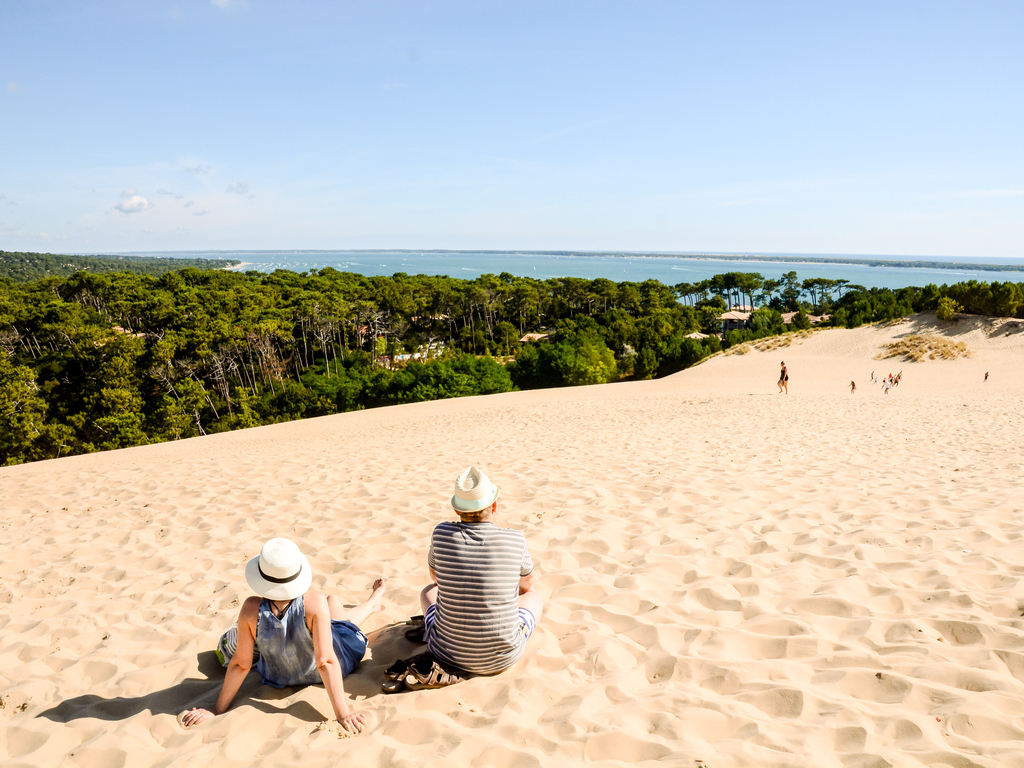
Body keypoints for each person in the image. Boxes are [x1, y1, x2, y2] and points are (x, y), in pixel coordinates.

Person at [182, 538, 384, 733]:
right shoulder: (314, 601)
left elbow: (240, 664)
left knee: (333, 613)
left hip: (278, 677)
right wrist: (343, 713)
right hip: (332, 665)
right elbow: (326, 662)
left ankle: (370, 604)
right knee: (336, 611)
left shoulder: (251, 608)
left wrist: (217, 709)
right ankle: (371, 604)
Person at [419, 466, 543, 679]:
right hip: (502, 658)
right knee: (533, 597)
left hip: (446, 655)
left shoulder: (440, 533)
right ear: (494, 505)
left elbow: (435, 579)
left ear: (457, 510)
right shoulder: (514, 539)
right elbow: (527, 584)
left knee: (427, 592)